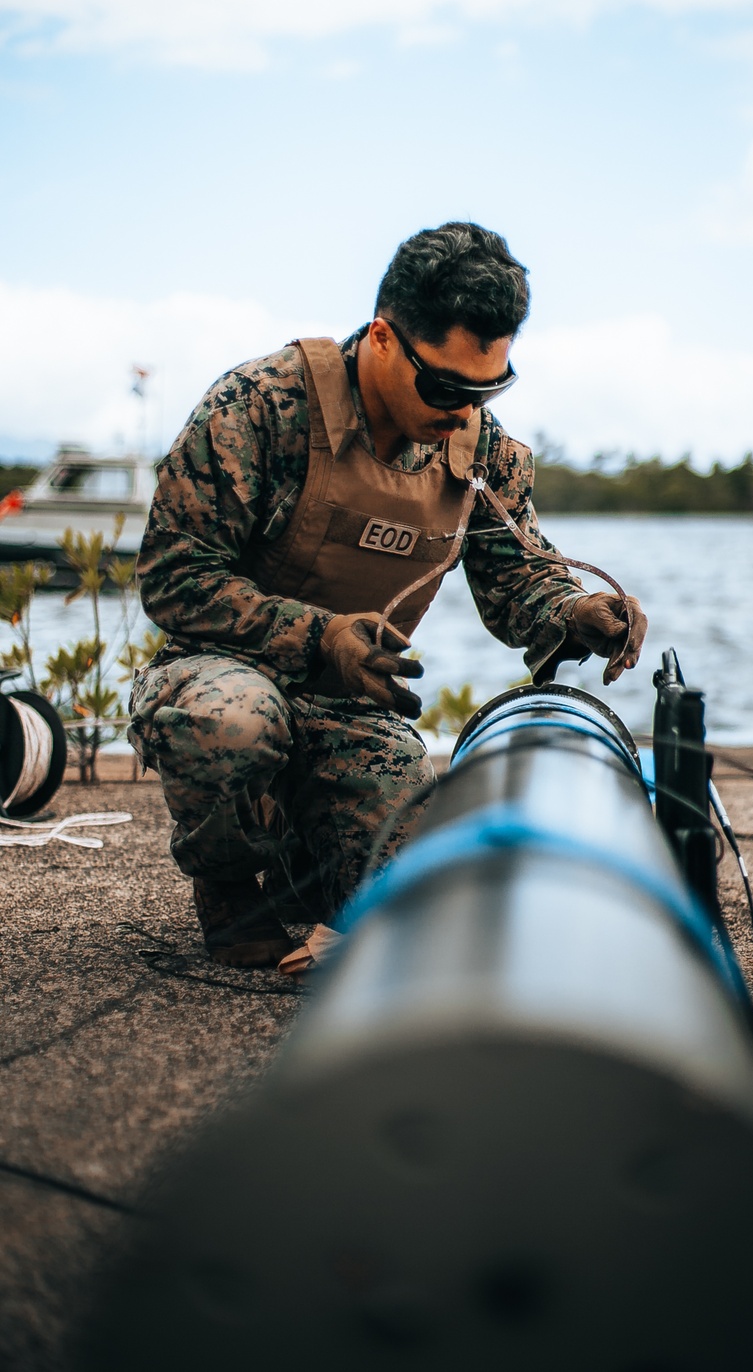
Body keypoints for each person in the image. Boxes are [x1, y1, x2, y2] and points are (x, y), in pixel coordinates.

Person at [129, 223, 648, 971]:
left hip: (354, 715)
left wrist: (573, 612)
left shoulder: (481, 453)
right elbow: (175, 576)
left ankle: (306, 859)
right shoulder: (261, 409)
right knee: (234, 725)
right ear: (381, 339)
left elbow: (514, 580)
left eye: (488, 388)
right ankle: (232, 887)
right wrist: (319, 638)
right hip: (224, 676)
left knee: (427, 904)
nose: (464, 410)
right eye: (445, 387)